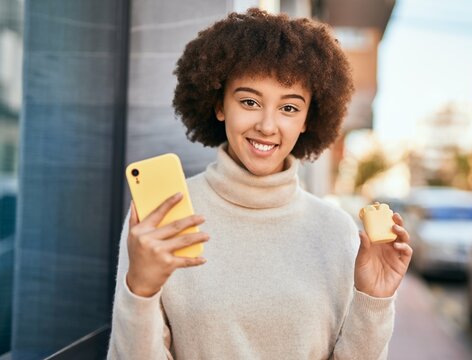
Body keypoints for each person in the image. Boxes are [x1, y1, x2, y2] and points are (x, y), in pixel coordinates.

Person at [107, 8, 412, 360]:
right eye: (250, 101)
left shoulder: (338, 231)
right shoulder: (164, 218)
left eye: (289, 108)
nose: (268, 126)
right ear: (219, 104)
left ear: (308, 119)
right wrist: (140, 291)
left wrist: (373, 299)